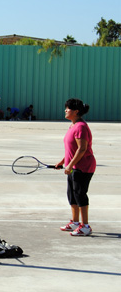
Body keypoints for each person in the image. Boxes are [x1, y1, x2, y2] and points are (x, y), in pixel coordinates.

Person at [56, 98, 96, 236]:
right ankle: (75, 222)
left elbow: (82, 149)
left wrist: (70, 165)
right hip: (73, 166)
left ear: (76, 111)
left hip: (83, 166)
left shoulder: (81, 127)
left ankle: (85, 226)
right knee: (72, 195)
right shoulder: (73, 125)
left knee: (80, 195)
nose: (65, 110)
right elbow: (70, 149)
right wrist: (62, 162)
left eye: (68, 108)